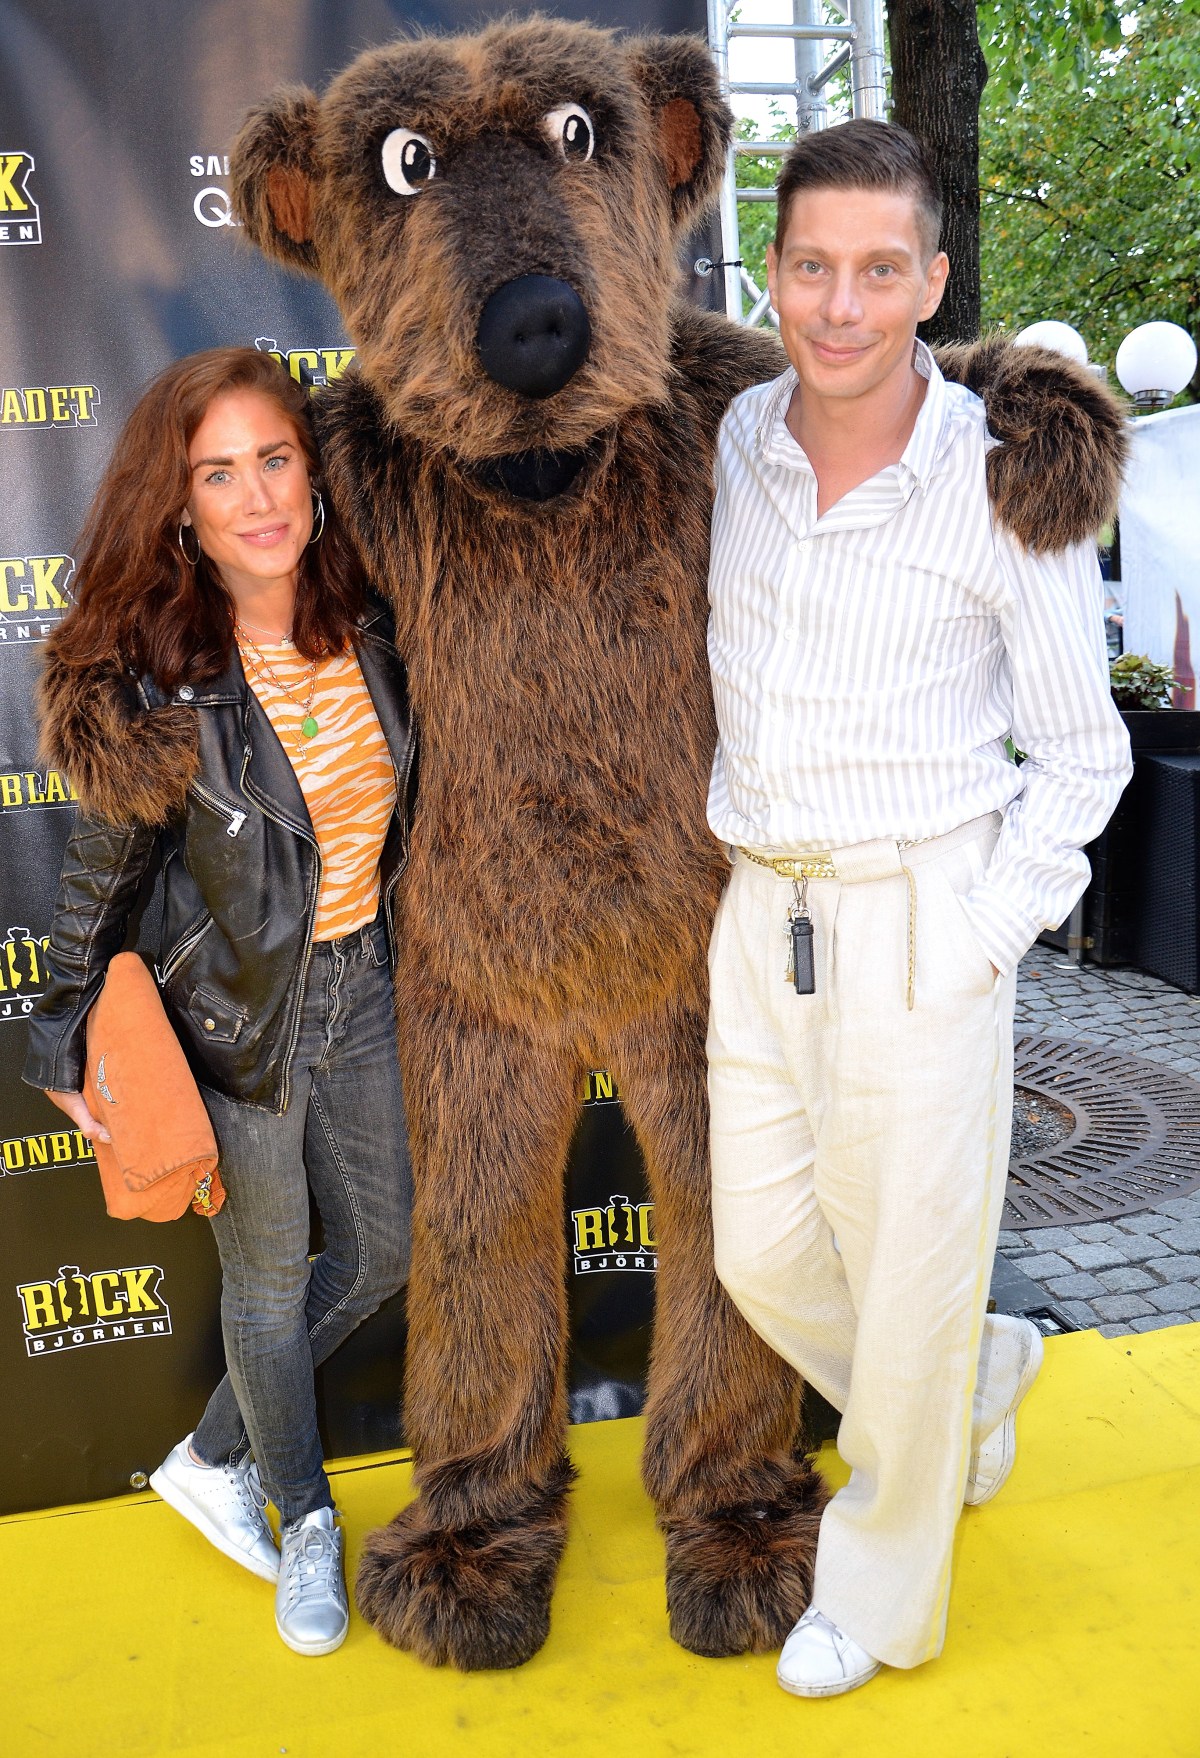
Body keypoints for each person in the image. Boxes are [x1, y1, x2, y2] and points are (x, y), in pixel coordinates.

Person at [704, 120, 1132, 1696]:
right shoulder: (737, 439)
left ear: (933, 282)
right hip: (760, 912)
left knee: (908, 1269)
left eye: (879, 270)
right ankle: (976, 1371)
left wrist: (977, 937)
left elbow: (1084, 756)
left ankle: (880, 1595)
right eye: (814, 267)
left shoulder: (999, 481)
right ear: (772, 271)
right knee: (763, 1253)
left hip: (920, 911)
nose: (842, 305)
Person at [24, 346, 416, 1658]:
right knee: (264, 1282)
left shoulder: (370, 623)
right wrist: (60, 1034)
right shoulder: (165, 676)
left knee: (383, 1254)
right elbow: (102, 874)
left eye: (275, 460)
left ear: (313, 471)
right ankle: (304, 1515)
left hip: (364, 986)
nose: (258, 498)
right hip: (235, 1021)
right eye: (219, 473)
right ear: (181, 505)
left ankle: (209, 1451)